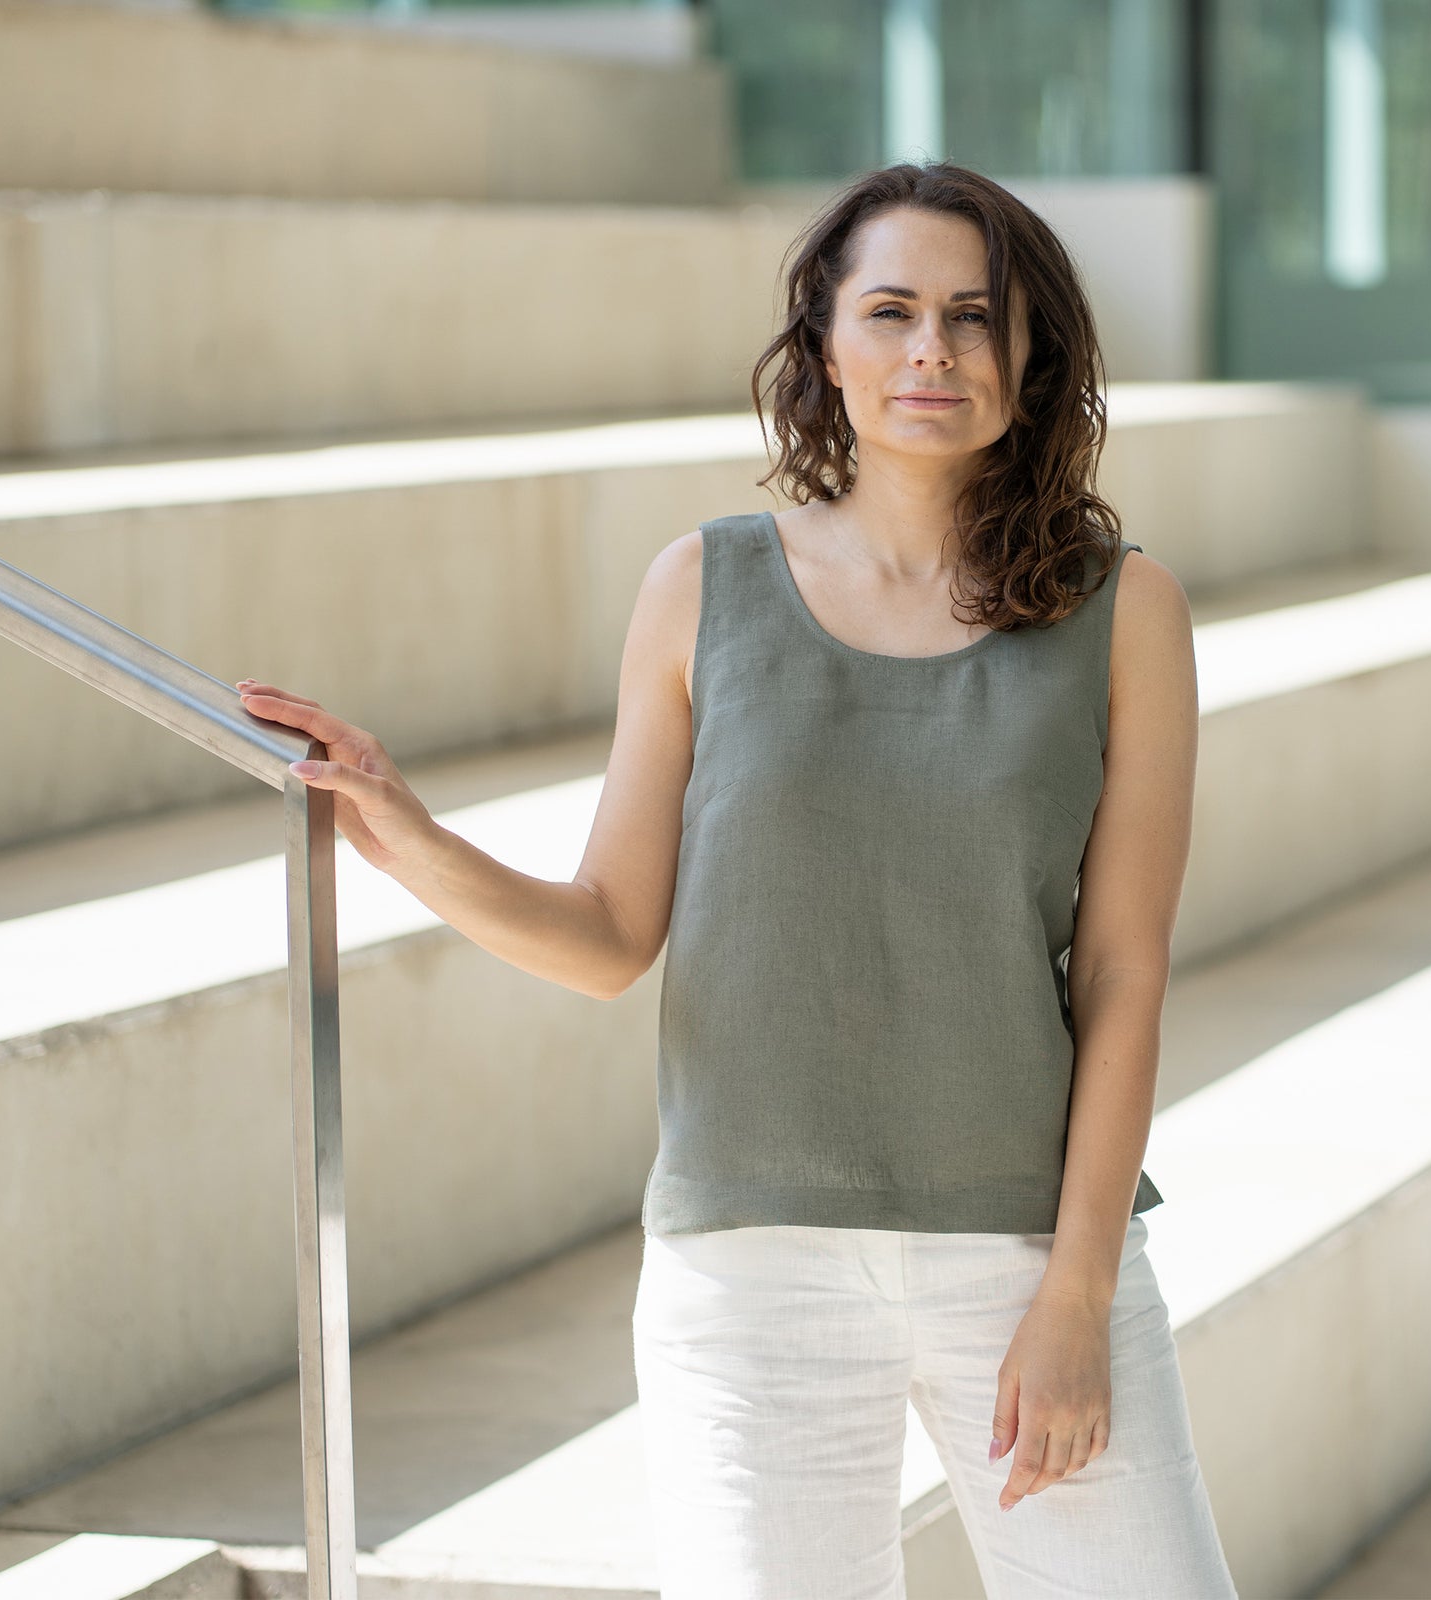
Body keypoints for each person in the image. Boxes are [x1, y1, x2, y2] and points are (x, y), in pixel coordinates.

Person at [237, 160, 1238, 1600]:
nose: (932, 351)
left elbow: (1124, 969)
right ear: (825, 344)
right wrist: (401, 826)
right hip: (754, 1273)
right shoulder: (702, 591)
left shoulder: (1123, 610)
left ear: (1032, 355)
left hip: (1030, 1252)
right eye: (890, 311)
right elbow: (607, 936)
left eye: (974, 317)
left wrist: (1078, 1289)